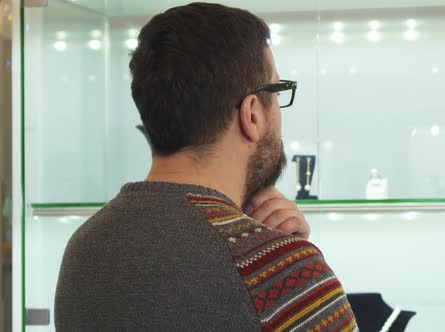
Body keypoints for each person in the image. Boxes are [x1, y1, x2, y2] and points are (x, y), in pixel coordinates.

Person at [54, 3, 357, 331]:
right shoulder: (286, 273)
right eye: (277, 89)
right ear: (251, 113)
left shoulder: (84, 250)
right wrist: (287, 260)